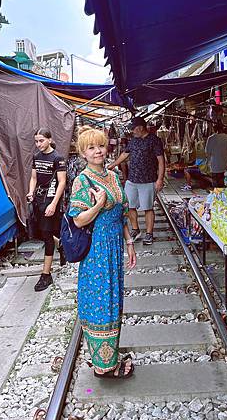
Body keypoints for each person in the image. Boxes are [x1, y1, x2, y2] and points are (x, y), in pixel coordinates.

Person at [69, 126, 136, 378]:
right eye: (91, 148)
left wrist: (129, 243)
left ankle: (108, 355)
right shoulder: (82, 181)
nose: (98, 151)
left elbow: (122, 213)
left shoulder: (113, 175)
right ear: (83, 153)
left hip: (114, 247)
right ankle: (104, 366)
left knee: (114, 300)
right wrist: (97, 204)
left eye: (100, 145)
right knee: (100, 303)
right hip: (96, 250)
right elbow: (78, 221)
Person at [108, 117, 165, 245]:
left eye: (133, 129)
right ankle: (135, 229)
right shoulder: (133, 140)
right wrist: (112, 165)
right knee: (129, 206)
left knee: (148, 208)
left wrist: (160, 179)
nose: (132, 132)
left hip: (148, 180)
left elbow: (161, 160)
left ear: (140, 128)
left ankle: (149, 234)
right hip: (132, 180)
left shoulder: (154, 140)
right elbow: (125, 154)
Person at [27, 128, 66, 291]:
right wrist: (31, 191)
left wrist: (54, 204)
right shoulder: (36, 157)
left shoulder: (58, 158)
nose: (38, 144)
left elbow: (62, 182)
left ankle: (46, 274)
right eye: (36, 141)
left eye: (41, 140)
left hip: (51, 200)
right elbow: (34, 177)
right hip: (38, 200)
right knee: (42, 232)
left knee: (47, 237)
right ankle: (62, 245)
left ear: (49, 140)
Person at [205, 121, 227, 188]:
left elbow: (207, 152)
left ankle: (216, 197)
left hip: (214, 166)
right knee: (225, 185)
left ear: (214, 129)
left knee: (216, 186)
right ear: (223, 128)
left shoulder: (211, 138)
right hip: (225, 166)